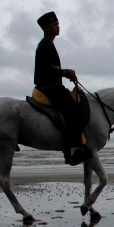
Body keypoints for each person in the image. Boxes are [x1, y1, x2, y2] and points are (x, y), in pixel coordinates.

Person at [34, 11, 92, 166]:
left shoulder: (48, 45)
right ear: (46, 28)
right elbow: (48, 70)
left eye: (58, 24)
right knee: (74, 111)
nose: (58, 27)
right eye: (54, 25)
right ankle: (73, 151)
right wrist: (66, 72)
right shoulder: (45, 46)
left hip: (53, 85)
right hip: (49, 87)